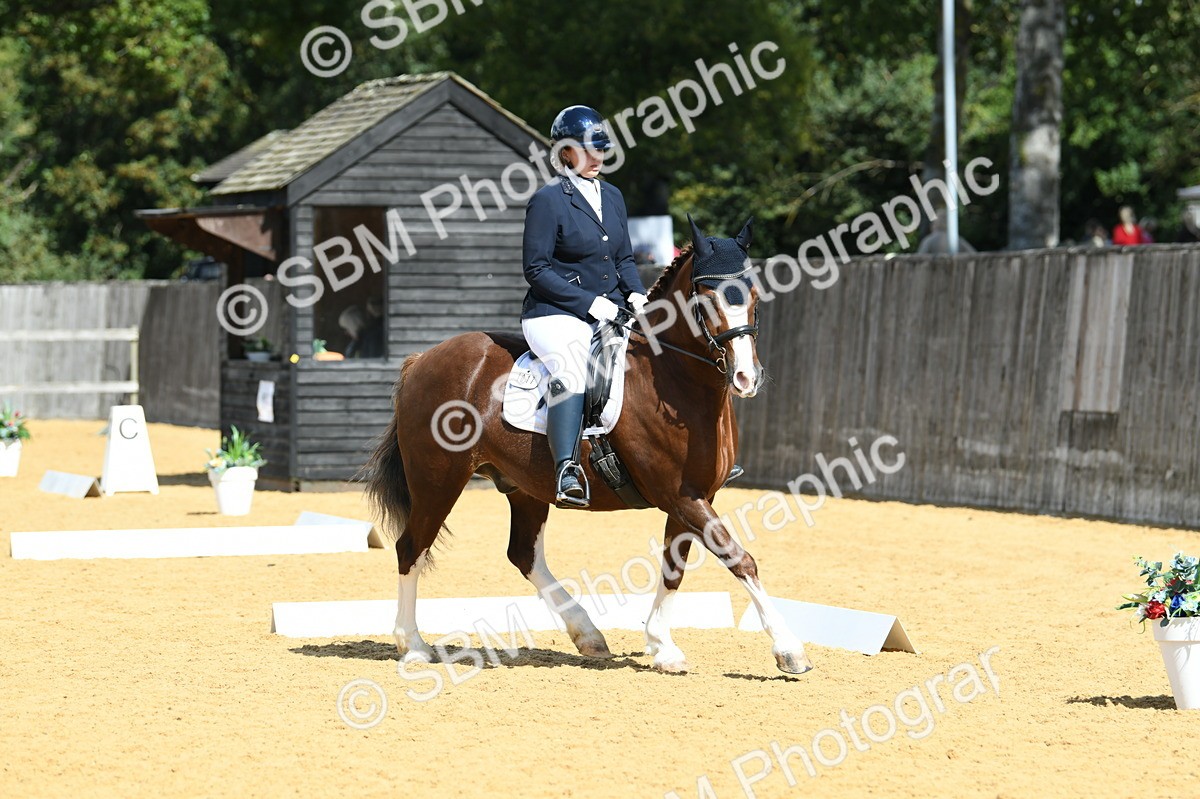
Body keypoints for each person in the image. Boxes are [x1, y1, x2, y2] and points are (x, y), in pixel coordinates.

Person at [520, 105, 648, 508]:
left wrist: (637, 294)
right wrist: (590, 303)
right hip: (555, 314)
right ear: (565, 152)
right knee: (572, 366)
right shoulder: (548, 200)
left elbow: (624, 258)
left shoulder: (612, 196)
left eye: (601, 149)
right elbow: (536, 270)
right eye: (587, 150)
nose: (597, 157)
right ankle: (567, 469)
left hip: (611, 309)